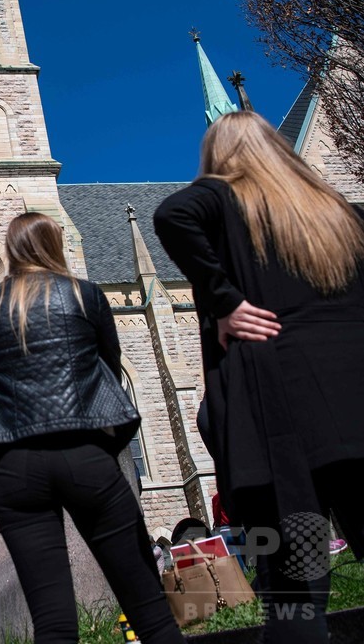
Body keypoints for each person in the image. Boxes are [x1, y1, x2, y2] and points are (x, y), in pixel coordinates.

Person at [154, 109, 364, 644]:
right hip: (353, 396)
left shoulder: (224, 197)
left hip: (280, 408)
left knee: (293, 573)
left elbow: (173, 213)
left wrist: (224, 299)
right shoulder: (336, 210)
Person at [0, 211, 185, 644]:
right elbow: (110, 373)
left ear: (10, 253)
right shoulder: (85, 296)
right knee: (150, 613)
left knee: (53, 623)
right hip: (88, 458)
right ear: (55, 245)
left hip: (16, 468)